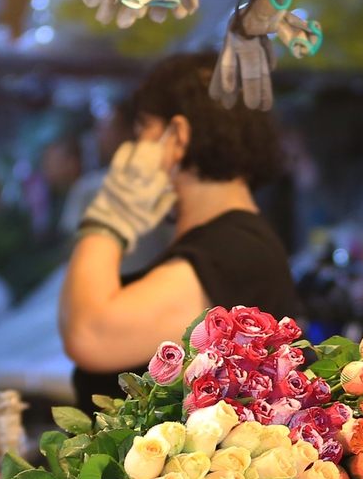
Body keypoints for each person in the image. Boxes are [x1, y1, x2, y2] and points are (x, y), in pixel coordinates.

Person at [59, 52, 299, 405]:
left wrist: (110, 214)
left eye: (143, 131)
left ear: (178, 137)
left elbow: (88, 334)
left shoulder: (234, 250)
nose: (131, 149)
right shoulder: (225, 243)